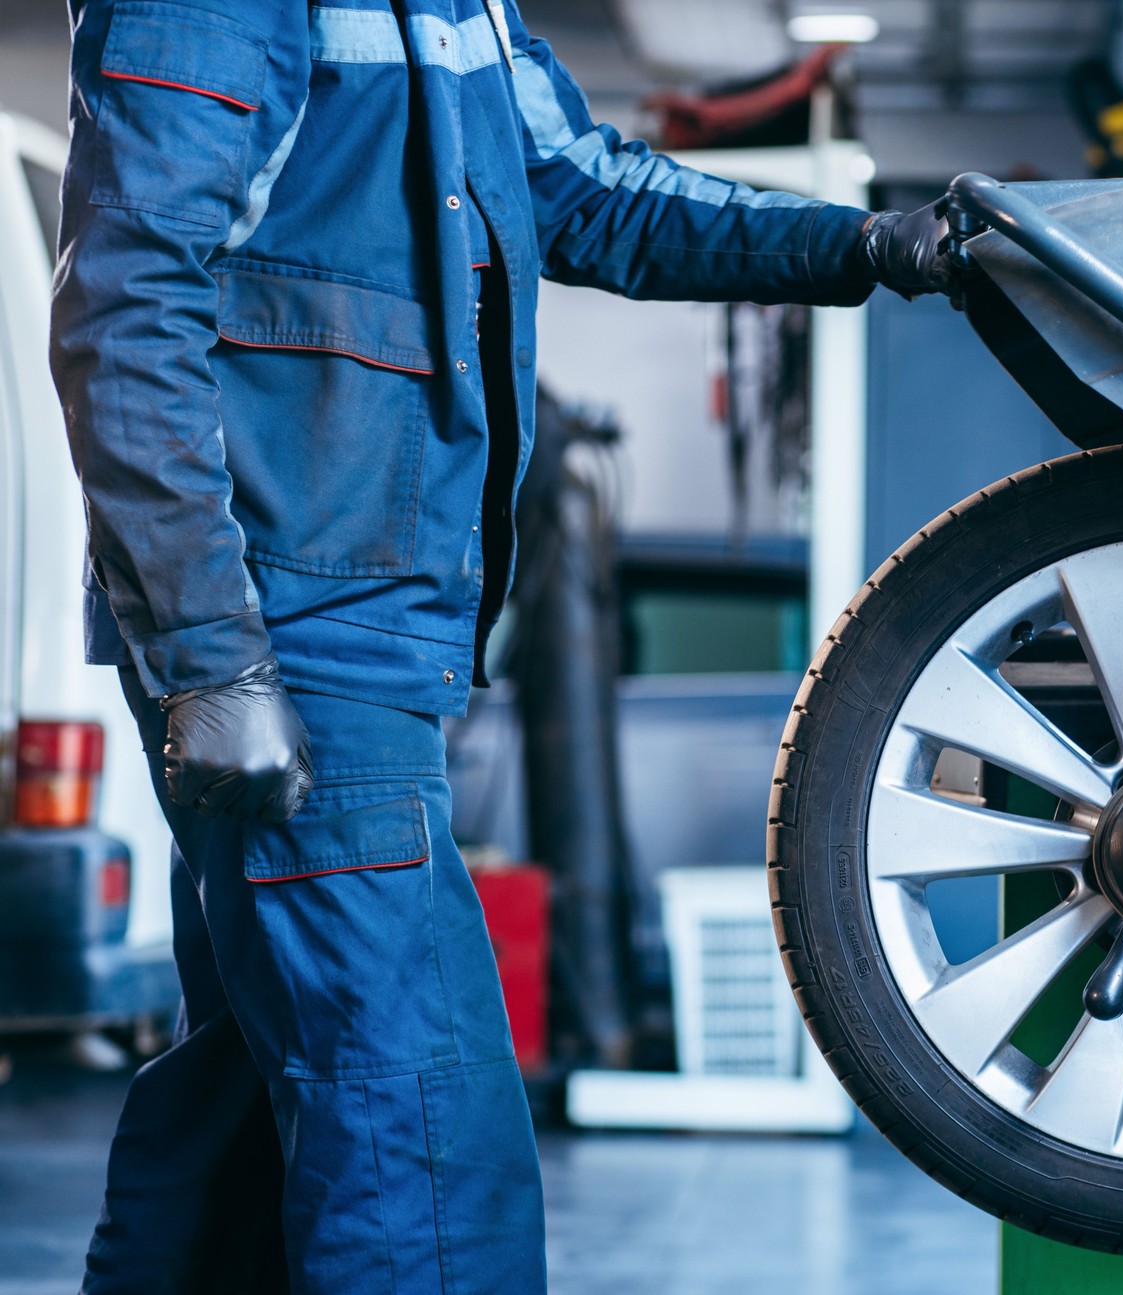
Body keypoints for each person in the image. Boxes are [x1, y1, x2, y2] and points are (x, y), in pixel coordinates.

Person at [50, 2, 950, 1291]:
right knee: (420, 1125)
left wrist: (864, 245)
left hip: (366, 614)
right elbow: (126, 305)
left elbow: (588, 192)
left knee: (252, 1104)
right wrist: (209, 652)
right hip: (295, 626)